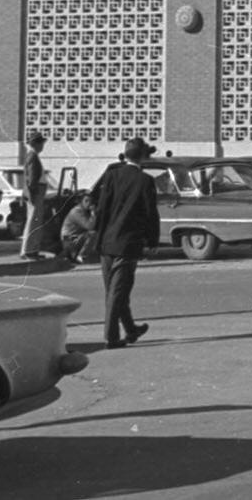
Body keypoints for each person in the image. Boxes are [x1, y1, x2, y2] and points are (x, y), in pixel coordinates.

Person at [90, 135, 160, 347]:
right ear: (143, 157)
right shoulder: (146, 181)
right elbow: (150, 213)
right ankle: (111, 338)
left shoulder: (112, 176)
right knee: (117, 292)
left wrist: (97, 235)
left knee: (114, 290)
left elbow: (102, 209)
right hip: (128, 244)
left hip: (107, 243)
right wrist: (153, 240)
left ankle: (131, 329)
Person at [19, 129, 50, 260]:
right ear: (36, 144)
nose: (42, 146)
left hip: (35, 191)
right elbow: (31, 178)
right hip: (36, 192)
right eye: (41, 143)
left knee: (34, 221)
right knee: (33, 221)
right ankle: (28, 250)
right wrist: (33, 192)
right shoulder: (32, 157)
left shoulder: (32, 156)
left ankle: (31, 249)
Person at [59, 192, 97, 264]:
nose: (89, 203)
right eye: (86, 201)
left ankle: (77, 256)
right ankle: (81, 256)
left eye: (90, 201)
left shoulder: (84, 211)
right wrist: (93, 213)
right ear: (81, 202)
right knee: (93, 234)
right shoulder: (77, 212)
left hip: (76, 238)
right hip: (69, 240)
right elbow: (89, 226)